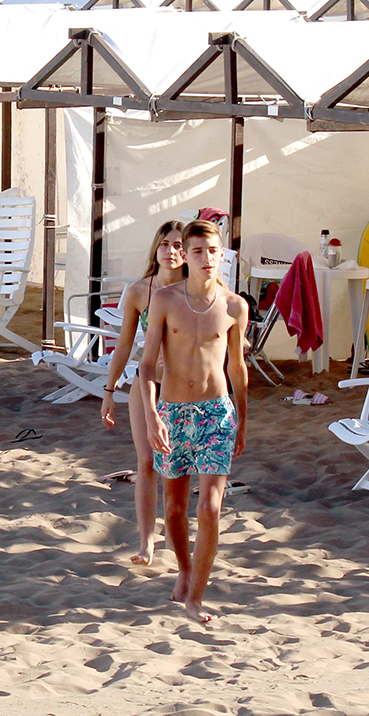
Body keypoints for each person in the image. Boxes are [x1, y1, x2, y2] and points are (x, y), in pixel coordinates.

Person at [136, 219, 249, 623]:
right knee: (176, 506)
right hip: (172, 412)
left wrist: (243, 419)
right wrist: (151, 416)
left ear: (222, 255)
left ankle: (195, 597)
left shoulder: (235, 306)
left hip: (216, 413)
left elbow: (237, 368)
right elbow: (147, 366)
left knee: (212, 509)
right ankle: (184, 569)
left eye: (212, 251)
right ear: (185, 254)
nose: (205, 259)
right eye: (197, 251)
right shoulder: (165, 300)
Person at [99, 220, 186, 566]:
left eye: (179, 245)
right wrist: (109, 390)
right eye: (165, 244)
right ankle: (147, 543)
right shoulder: (139, 292)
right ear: (156, 248)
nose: (171, 251)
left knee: (176, 467)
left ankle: (173, 536)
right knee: (147, 462)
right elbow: (123, 345)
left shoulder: (196, 288)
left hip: (184, 387)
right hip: (146, 383)